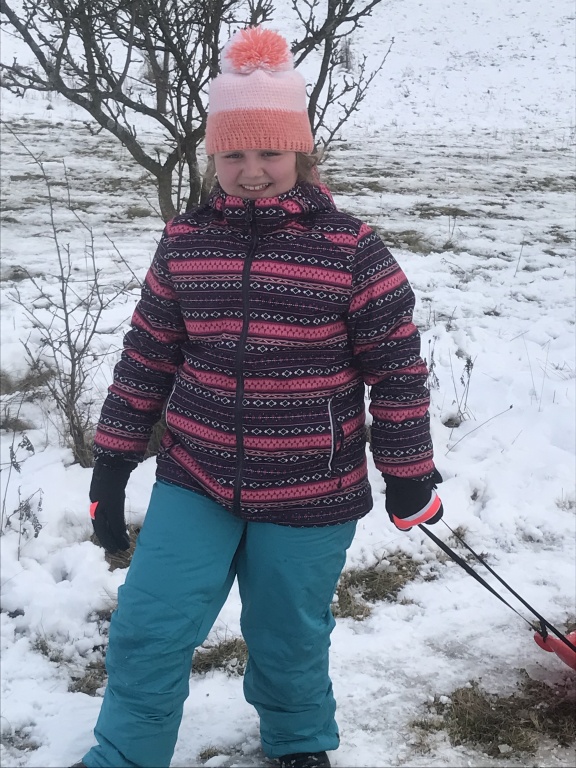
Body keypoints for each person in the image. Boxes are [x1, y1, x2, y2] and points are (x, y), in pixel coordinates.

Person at [75, 26, 444, 768]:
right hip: (196, 476)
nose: (251, 172)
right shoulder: (185, 243)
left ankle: (299, 742)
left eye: (270, 153)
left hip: (312, 486)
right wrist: (112, 463)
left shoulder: (350, 249)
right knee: (148, 626)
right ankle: (125, 755)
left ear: (300, 153)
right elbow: (148, 356)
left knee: (288, 633)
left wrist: (408, 473)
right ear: (212, 157)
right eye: (233, 155)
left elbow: (397, 369)